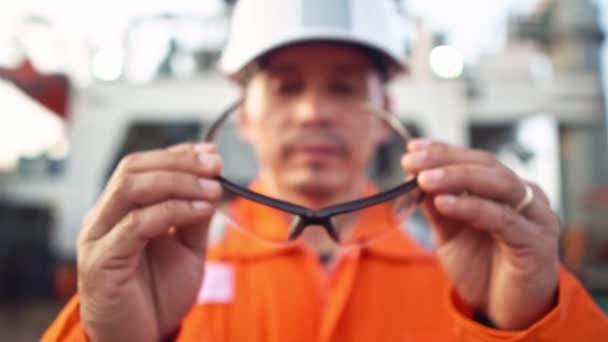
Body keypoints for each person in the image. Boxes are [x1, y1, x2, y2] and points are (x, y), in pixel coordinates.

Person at [43, 0, 607, 341]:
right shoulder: (154, 269)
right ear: (245, 117)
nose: (314, 112)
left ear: (386, 119)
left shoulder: (471, 270)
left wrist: (525, 323)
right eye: (287, 87)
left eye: (343, 87)